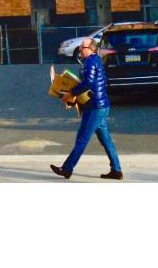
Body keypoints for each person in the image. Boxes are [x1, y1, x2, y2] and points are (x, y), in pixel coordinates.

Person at [50, 37, 122, 180]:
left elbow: (88, 82)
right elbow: (91, 82)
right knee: (105, 139)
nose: (80, 50)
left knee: (82, 139)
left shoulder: (90, 62)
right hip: (99, 105)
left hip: (95, 107)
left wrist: (71, 93)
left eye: (82, 48)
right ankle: (116, 170)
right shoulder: (94, 60)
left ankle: (67, 169)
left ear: (91, 49)